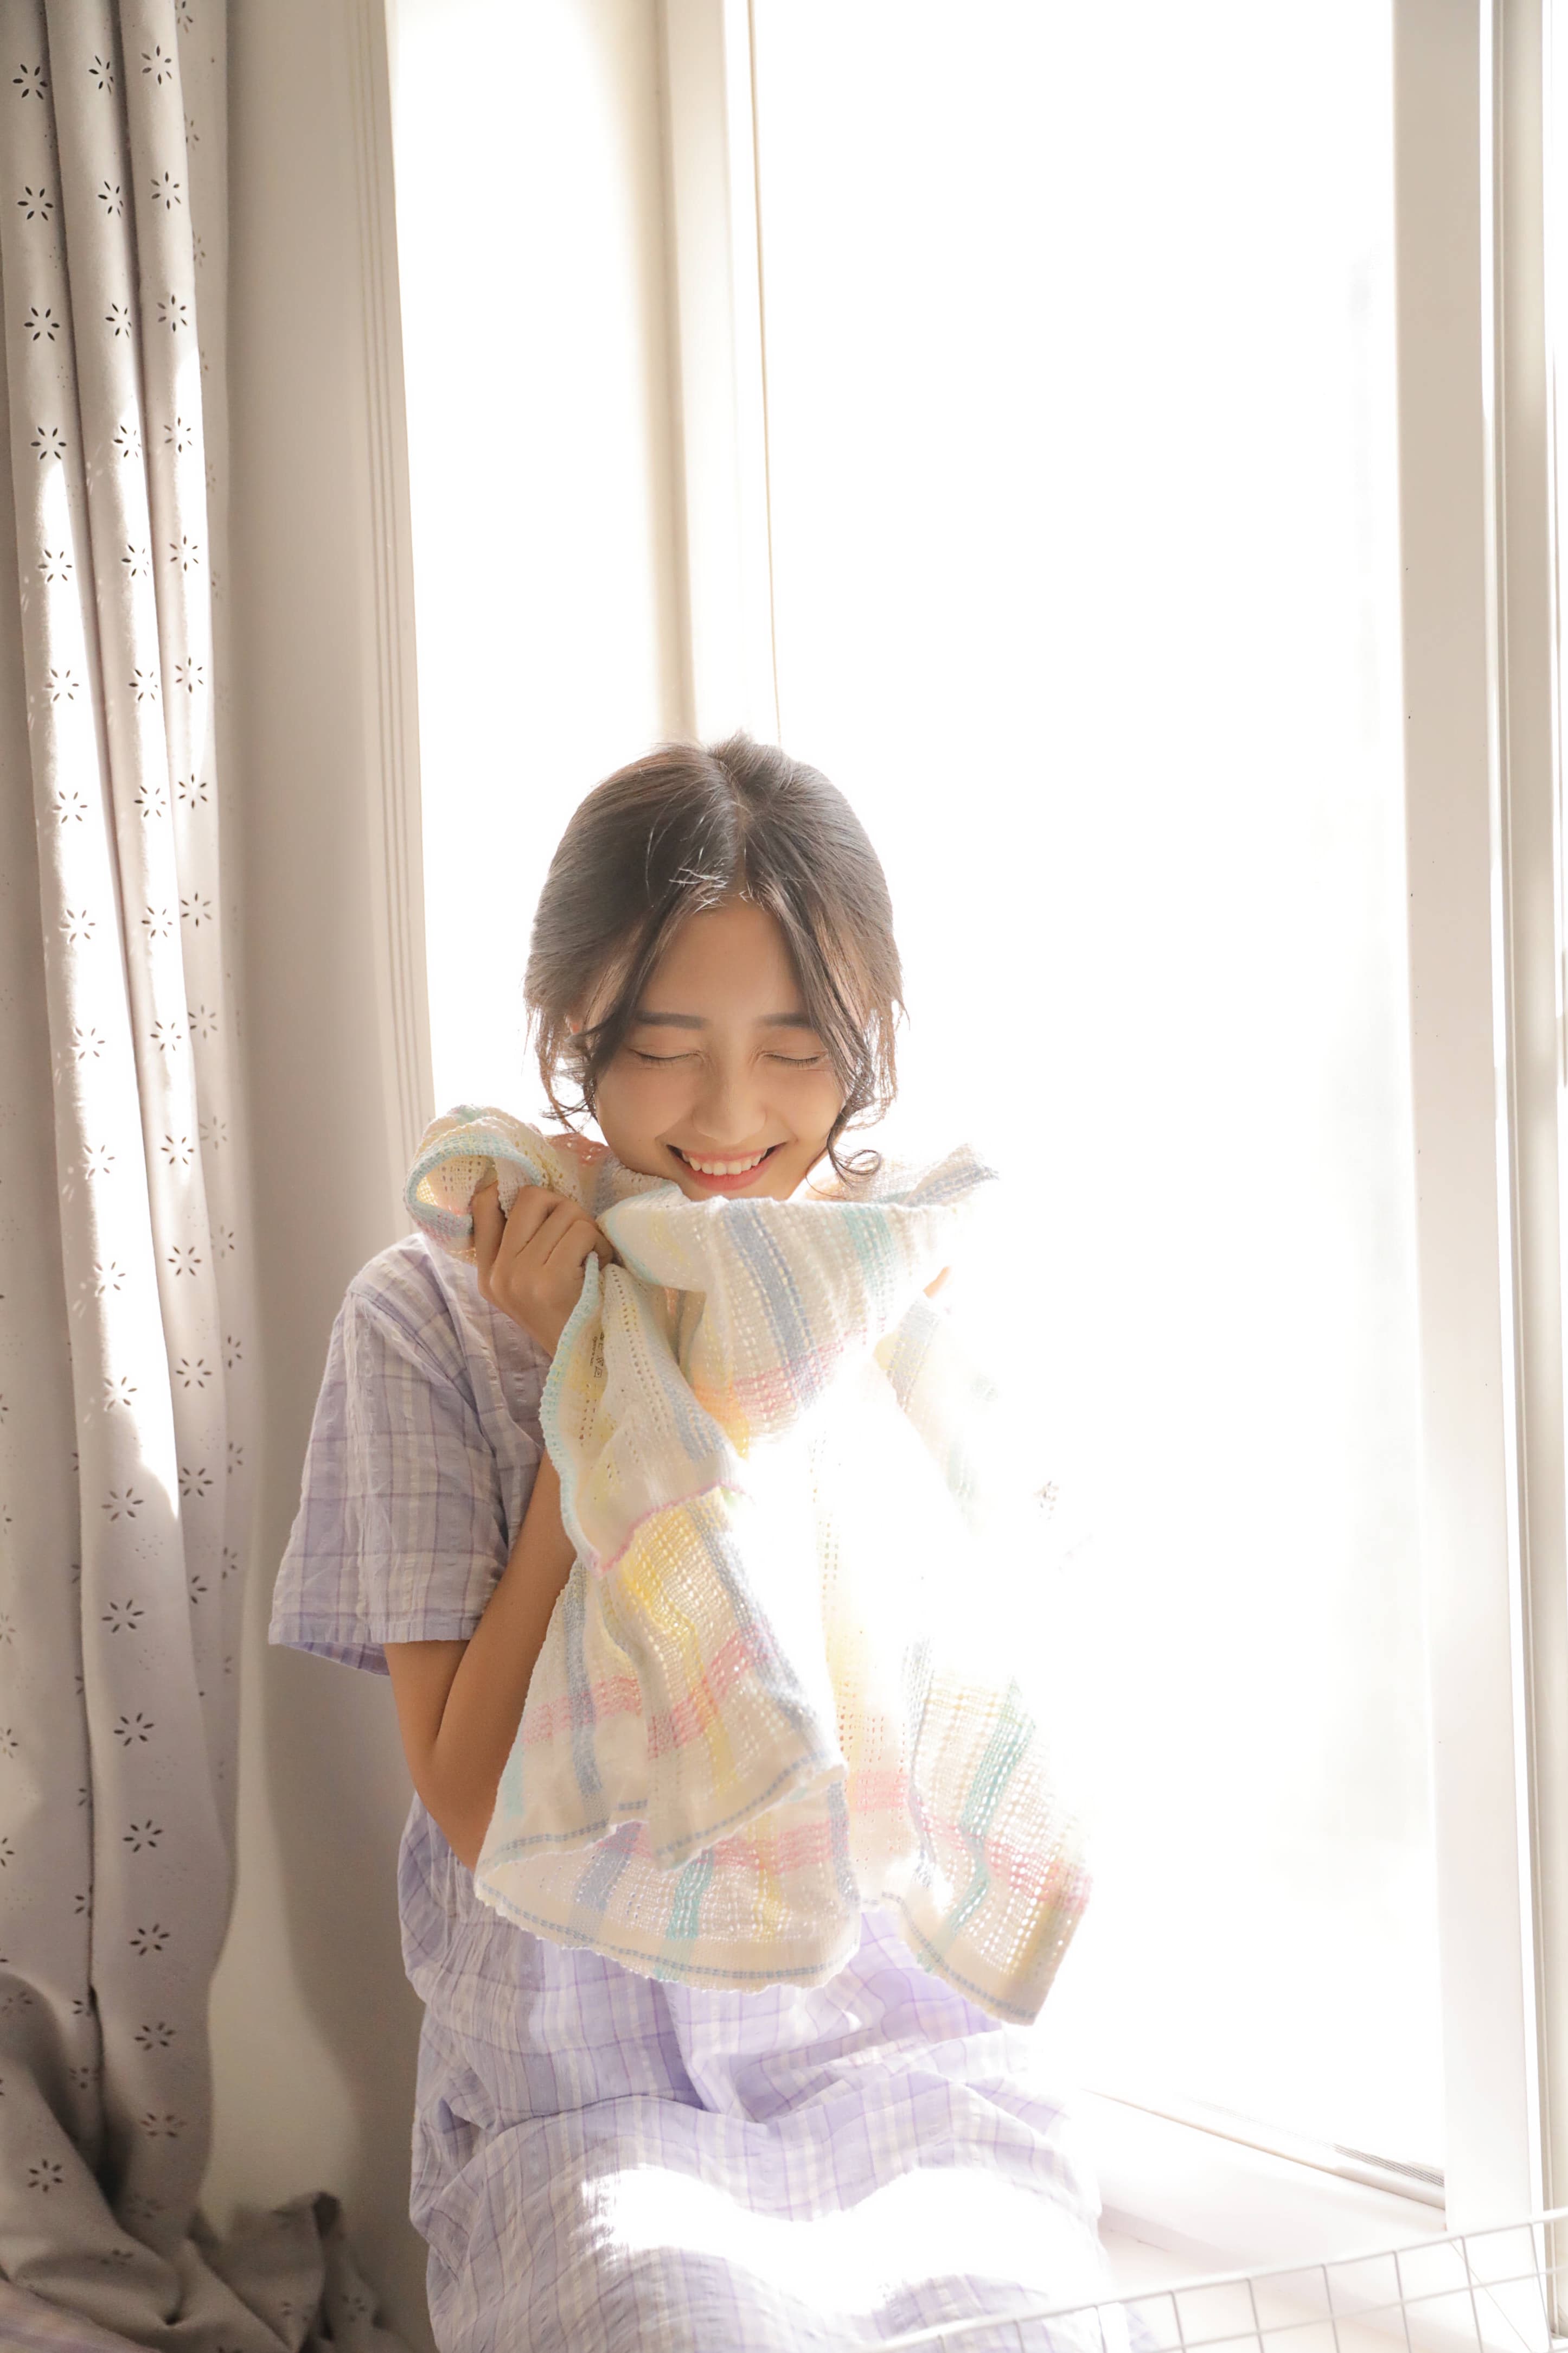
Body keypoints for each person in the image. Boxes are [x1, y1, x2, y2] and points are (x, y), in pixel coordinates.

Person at [268, 735, 1123, 2353]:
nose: (735, 1115)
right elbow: (470, 1798)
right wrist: (585, 1399)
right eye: (665, 1050)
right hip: (582, 2098)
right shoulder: (425, 1318)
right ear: (568, 1032)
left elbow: (1011, 1691)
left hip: (904, 2060)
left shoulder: (881, 1283)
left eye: (798, 1050)